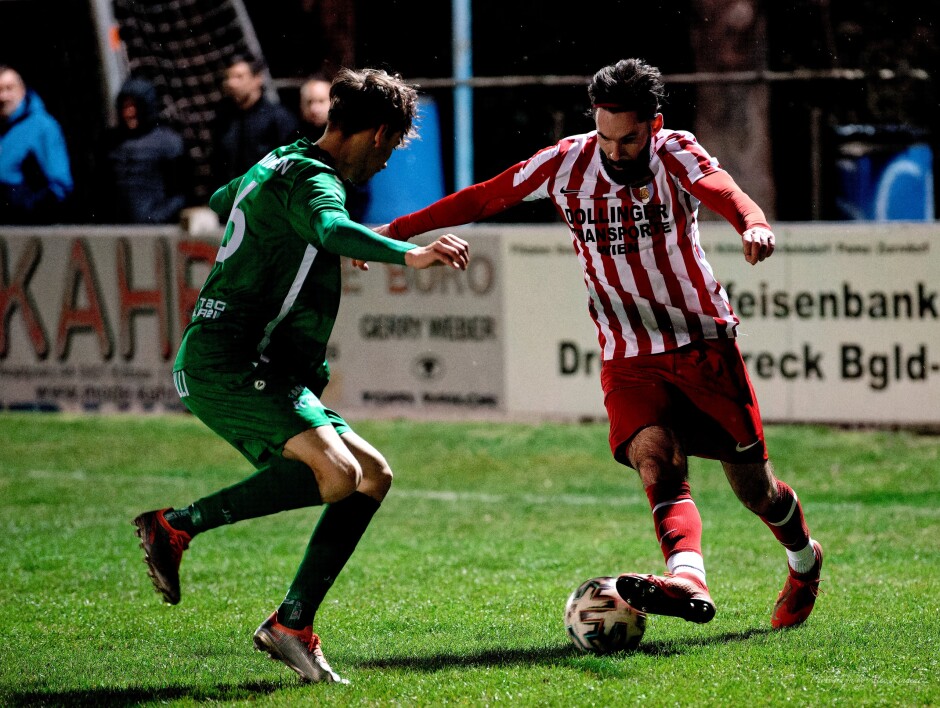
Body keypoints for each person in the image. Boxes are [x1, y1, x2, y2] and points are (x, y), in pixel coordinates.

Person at [376, 58, 823, 631]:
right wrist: (394, 232)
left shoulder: (676, 152)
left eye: (629, 138)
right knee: (656, 459)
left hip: (702, 339)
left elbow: (723, 190)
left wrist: (752, 223)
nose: (615, 151)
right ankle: (688, 576)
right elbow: (484, 198)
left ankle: (804, 561)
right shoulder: (567, 162)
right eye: (606, 136)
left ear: (654, 125)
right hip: (626, 349)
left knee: (755, 491)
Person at [132, 67, 469, 685]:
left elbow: (222, 202)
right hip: (228, 362)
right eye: (392, 146)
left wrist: (313, 245)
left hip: (261, 365)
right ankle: (175, 526)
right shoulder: (316, 180)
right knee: (338, 474)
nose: (390, 161)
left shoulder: (279, 162)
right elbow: (329, 225)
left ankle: (290, 624)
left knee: (371, 476)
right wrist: (405, 252)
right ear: (376, 133)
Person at [98, 76, 188, 223]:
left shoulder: (169, 142)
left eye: (134, 106)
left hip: (156, 229)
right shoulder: (110, 142)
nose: (129, 113)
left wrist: (155, 218)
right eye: (125, 107)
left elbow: (181, 194)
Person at [0, 64, 73, 224]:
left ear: (22, 90)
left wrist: (29, 209)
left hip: (28, 226)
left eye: (9, 88)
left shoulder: (43, 126)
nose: (3, 96)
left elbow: (60, 184)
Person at [210, 56, 299, 185]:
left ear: (257, 79)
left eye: (239, 77)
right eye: (229, 77)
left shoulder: (279, 118)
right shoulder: (224, 118)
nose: (231, 83)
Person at [297, 73, 332, 142]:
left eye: (321, 101)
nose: (314, 109)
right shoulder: (295, 140)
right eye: (309, 102)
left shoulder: (345, 138)